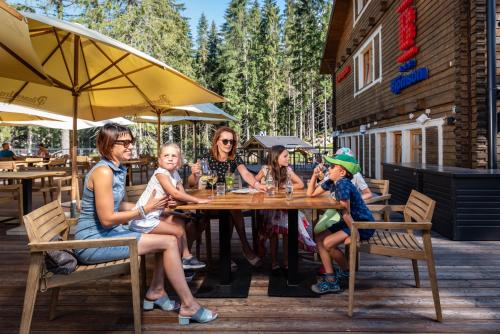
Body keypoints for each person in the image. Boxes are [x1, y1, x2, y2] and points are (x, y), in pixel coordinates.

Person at [74, 123, 217, 325]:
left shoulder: (115, 169)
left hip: (110, 235)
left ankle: (156, 292)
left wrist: (155, 207)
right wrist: (144, 210)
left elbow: (117, 204)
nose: (130, 146)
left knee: (169, 235)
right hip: (93, 243)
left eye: (130, 142)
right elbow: (106, 218)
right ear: (108, 145)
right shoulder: (103, 172)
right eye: (123, 143)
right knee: (168, 241)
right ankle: (188, 305)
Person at [187, 126, 267, 267]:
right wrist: (194, 174)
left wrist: (256, 184)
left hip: (227, 200)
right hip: (209, 202)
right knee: (233, 211)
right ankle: (245, 248)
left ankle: (227, 256)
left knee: (232, 211)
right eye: (225, 141)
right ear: (217, 141)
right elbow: (192, 184)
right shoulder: (207, 158)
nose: (229, 144)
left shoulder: (234, 157)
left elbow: (246, 174)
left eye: (232, 142)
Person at [128, 143, 208, 270]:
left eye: (174, 156)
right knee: (178, 231)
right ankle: (184, 260)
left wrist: (180, 205)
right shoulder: (160, 173)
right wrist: (197, 200)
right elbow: (175, 193)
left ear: (179, 161)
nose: (170, 158)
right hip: (142, 219)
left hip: (156, 215)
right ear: (159, 160)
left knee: (180, 220)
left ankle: (184, 261)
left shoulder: (174, 173)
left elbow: (181, 195)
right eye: (166, 155)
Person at [307, 154, 375, 294]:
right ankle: (331, 277)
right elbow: (311, 194)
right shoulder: (333, 181)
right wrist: (314, 175)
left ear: (342, 172)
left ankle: (345, 273)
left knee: (327, 243)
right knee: (319, 236)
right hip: (348, 222)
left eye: (333, 167)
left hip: (360, 224)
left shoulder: (343, 184)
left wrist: (355, 232)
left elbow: (345, 211)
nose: (329, 169)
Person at [254, 145, 315, 274]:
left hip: (285, 206)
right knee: (273, 235)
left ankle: (287, 261)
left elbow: (300, 184)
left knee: (287, 233)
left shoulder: (287, 170)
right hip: (270, 208)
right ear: (276, 158)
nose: (288, 158)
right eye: (285, 156)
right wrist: (262, 186)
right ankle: (274, 261)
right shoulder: (266, 169)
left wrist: (283, 186)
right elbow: (253, 182)